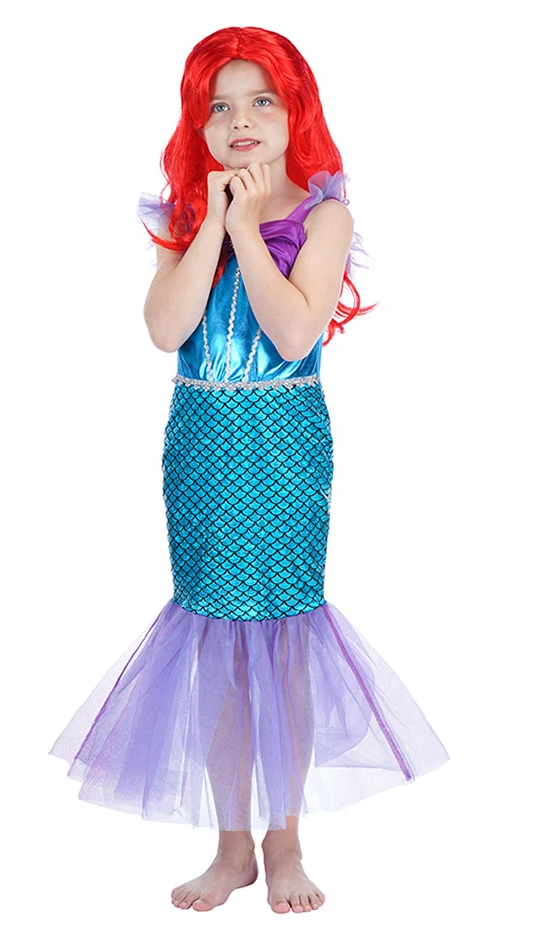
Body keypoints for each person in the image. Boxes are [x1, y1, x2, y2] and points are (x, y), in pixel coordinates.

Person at [49, 26, 450, 915]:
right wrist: (210, 224)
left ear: (294, 111)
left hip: (281, 445)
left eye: (261, 101)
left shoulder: (324, 215)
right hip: (200, 443)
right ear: (196, 124)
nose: (240, 120)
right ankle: (232, 846)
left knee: (282, 635)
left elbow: (295, 331)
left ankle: (285, 838)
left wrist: (249, 230)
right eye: (219, 106)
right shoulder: (183, 218)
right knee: (214, 640)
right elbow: (166, 328)